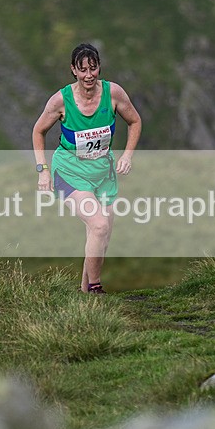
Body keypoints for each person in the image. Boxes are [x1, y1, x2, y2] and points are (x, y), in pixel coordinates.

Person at [32, 43, 142, 294]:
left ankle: (84, 296)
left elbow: (135, 121)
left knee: (101, 236)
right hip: (69, 173)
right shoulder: (61, 100)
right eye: (82, 70)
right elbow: (38, 131)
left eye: (93, 68)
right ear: (73, 70)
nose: (89, 75)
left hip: (103, 173)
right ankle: (95, 288)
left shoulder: (113, 93)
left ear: (99, 67)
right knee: (99, 225)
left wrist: (127, 155)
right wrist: (43, 169)